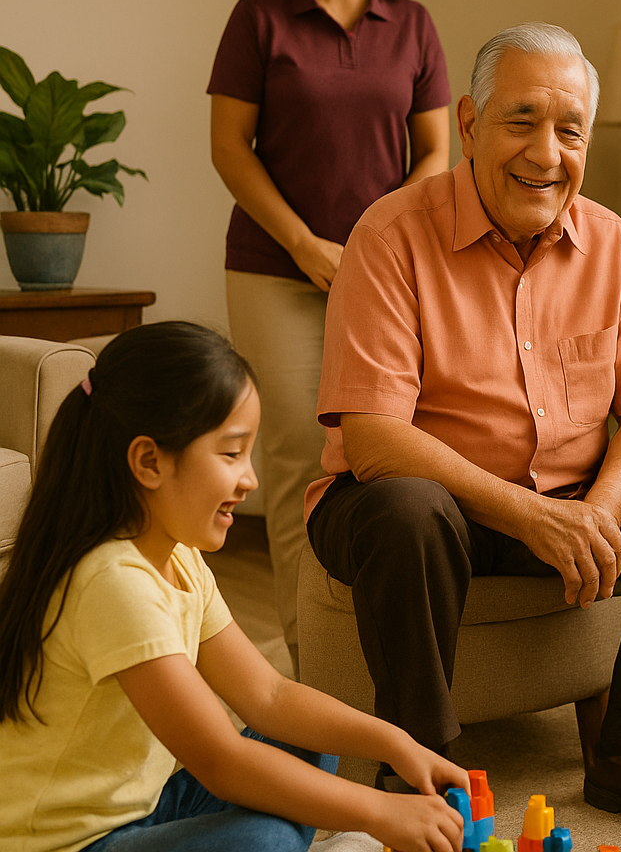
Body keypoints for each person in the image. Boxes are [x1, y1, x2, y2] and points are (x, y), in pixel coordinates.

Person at [304, 22, 621, 837]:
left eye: (569, 129)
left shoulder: (609, 241)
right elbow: (372, 435)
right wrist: (531, 516)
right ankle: (422, 763)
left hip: (568, 500)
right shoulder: (391, 235)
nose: (547, 152)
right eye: (522, 121)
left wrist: (596, 513)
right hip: (417, 506)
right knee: (408, 509)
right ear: (468, 124)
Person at [0, 322, 468, 852]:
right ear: (149, 461)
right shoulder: (112, 582)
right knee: (260, 839)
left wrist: (398, 743)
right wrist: (381, 812)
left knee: (304, 740)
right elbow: (221, 761)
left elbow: (268, 696)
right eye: (230, 454)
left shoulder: (179, 557)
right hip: (71, 844)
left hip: (144, 810)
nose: (250, 480)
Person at [208, 0, 452, 676]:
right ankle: (311, 657)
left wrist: (373, 243)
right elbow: (230, 150)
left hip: (386, 275)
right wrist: (307, 245)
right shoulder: (259, 16)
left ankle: (372, 643)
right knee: (288, 459)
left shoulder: (413, 25)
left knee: (389, 446)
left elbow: (434, 156)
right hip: (276, 269)